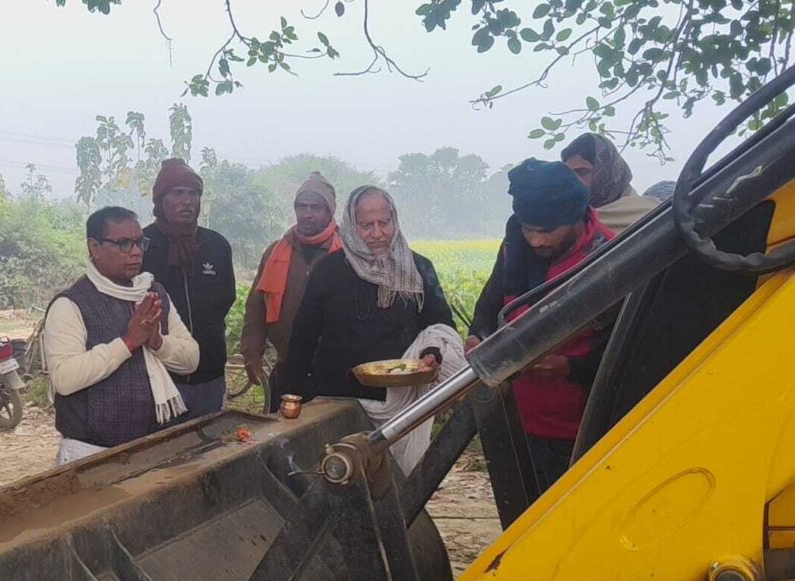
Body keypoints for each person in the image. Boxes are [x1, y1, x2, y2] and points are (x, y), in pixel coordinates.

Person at [276, 186, 461, 473]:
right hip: (337, 402)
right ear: (352, 226)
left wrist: (431, 353)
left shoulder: (418, 269)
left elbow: (440, 325)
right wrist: (291, 396)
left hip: (402, 410)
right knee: (341, 478)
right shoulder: (328, 272)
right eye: (366, 225)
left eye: (384, 223)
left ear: (394, 220)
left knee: (400, 486)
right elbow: (303, 339)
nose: (377, 234)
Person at [469, 159, 617, 490]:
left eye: (547, 231)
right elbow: (491, 303)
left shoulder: (608, 259)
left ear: (575, 217)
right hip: (516, 418)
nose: (536, 241)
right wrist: (478, 336)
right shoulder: (515, 246)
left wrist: (569, 366)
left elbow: (624, 347)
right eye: (528, 228)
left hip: (580, 429)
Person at [44, 207, 200, 464]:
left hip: (151, 446)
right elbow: (64, 378)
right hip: (91, 453)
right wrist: (128, 342)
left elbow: (191, 359)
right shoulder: (70, 304)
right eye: (124, 243)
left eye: (139, 242)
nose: (136, 251)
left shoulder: (153, 293)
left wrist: (157, 342)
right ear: (94, 248)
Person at [239, 172, 342, 412]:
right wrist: (252, 353)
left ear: (329, 211)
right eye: (301, 206)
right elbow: (256, 307)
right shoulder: (275, 252)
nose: (307, 213)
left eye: (315, 207)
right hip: (287, 368)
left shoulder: (347, 254)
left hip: (333, 372)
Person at [141, 159, 235, 418]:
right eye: (177, 193)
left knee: (210, 441)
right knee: (162, 443)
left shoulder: (216, 245)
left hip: (209, 372)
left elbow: (226, 298)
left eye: (193, 194)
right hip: (158, 375)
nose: (187, 201)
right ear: (160, 199)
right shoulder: (142, 246)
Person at [560, 132, 659, 233]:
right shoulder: (562, 224)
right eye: (568, 173)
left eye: (582, 172)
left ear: (605, 174)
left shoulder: (652, 215)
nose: (573, 181)